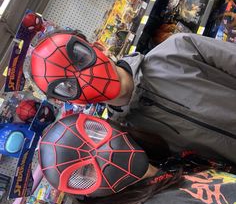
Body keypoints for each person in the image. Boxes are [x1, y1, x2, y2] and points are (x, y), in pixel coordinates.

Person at [30, 30, 236, 163]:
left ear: (98, 47)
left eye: (81, 58)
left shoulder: (178, 49)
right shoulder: (131, 139)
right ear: (71, 102)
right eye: (67, 87)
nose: (83, 78)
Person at [39, 113, 236, 204]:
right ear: (89, 194)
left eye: (94, 134)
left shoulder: (168, 168)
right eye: (84, 172)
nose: (101, 153)